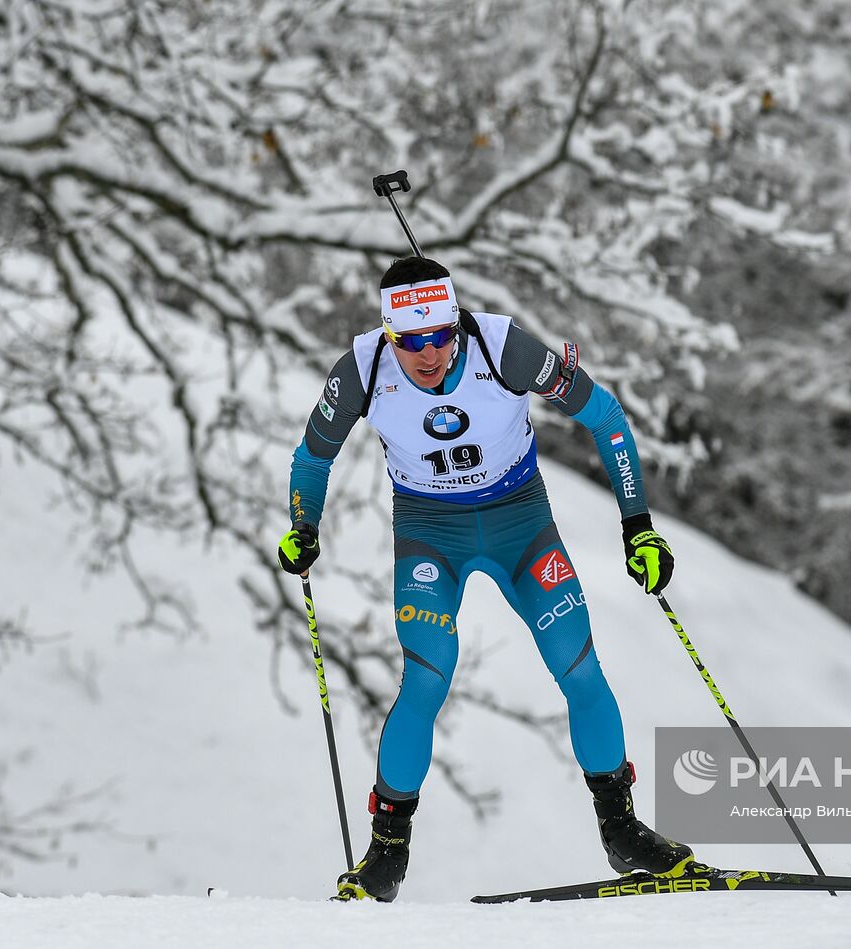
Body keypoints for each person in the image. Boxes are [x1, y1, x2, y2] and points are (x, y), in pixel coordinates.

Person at [276, 256, 695, 902]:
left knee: (578, 665)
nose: (429, 351)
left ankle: (622, 828)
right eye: (411, 339)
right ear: (389, 334)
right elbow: (312, 455)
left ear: (455, 322)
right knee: (427, 673)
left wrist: (638, 525)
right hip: (428, 532)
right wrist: (304, 527)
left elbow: (605, 415)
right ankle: (386, 853)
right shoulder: (362, 369)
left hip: (520, 522)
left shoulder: (503, 346)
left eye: (441, 333)